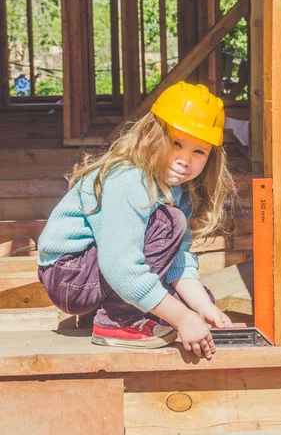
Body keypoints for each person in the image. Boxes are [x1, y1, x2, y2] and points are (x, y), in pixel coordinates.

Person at [37, 81, 236, 360]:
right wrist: (181, 318)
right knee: (168, 225)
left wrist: (202, 308)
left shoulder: (177, 190)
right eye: (176, 143)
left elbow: (178, 259)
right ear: (147, 134)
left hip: (96, 273)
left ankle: (107, 310)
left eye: (198, 151)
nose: (184, 160)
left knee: (196, 307)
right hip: (70, 276)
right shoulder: (128, 178)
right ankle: (116, 322)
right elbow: (119, 266)